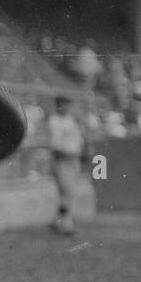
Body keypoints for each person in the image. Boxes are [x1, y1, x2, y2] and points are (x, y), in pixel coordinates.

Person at [46, 94, 84, 235]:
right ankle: (67, 225)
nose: (67, 108)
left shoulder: (70, 119)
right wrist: (72, 154)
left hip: (73, 160)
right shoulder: (54, 121)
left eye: (68, 104)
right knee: (67, 192)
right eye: (63, 104)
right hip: (62, 161)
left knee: (69, 194)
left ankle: (58, 222)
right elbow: (56, 146)